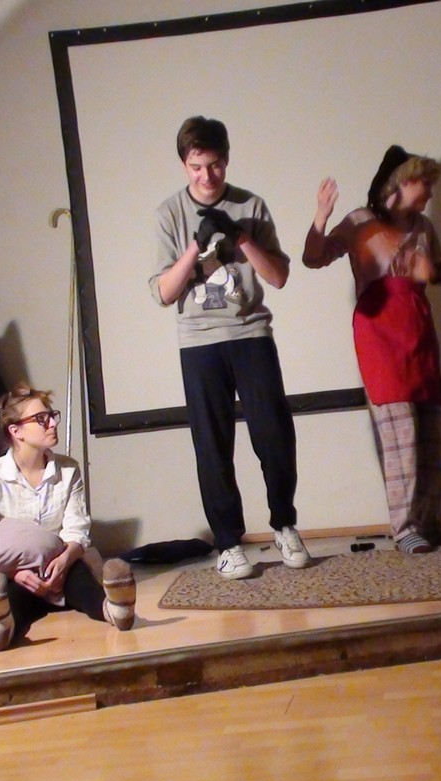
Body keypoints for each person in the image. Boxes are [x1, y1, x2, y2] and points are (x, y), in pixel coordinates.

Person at [149, 116, 308, 580]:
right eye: (197, 167)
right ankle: (228, 543)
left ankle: (284, 525)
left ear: (227, 159)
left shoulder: (251, 204)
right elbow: (163, 292)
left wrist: (240, 237)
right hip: (199, 342)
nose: (207, 176)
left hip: (250, 334)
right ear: (184, 165)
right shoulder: (168, 214)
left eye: (215, 165)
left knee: (274, 435)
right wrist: (195, 247)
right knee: (212, 445)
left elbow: (278, 276)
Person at [303, 145, 441, 553]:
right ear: (402, 181)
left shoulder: (424, 228)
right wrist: (321, 216)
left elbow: (438, 274)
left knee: (429, 430)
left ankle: (428, 521)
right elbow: (314, 257)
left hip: (419, 329)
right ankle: (404, 528)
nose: (430, 193)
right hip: (380, 334)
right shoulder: (360, 222)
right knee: (400, 430)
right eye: (425, 183)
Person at [0, 383, 137, 651]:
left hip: (61, 566)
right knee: (13, 595)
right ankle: (2, 628)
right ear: (16, 431)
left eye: (51, 416)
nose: (52, 424)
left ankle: (114, 610)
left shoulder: (68, 469)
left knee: (80, 578)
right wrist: (16, 573)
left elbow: (77, 529)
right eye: (40, 419)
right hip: (15, 573)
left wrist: (63, 562)